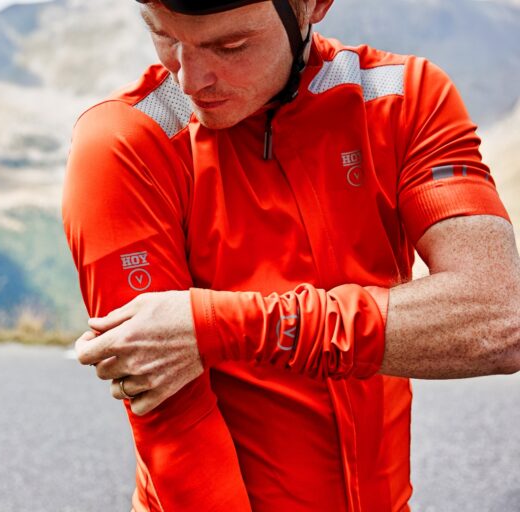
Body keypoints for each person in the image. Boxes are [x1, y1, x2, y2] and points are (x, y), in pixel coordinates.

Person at [61, 0, 520, 510]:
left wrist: (221, 326)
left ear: (311, 6)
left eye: (230, 46)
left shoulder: (405, 97)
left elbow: (497, 317)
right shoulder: (123, 142)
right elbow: (175, 434)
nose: (189, 80)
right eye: (164, 37)